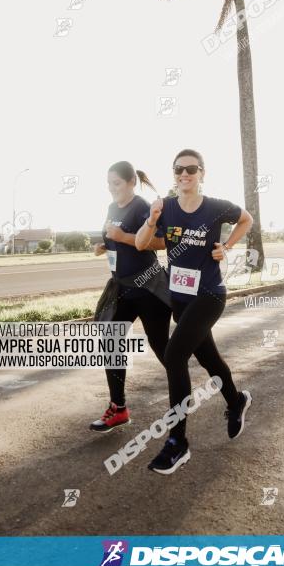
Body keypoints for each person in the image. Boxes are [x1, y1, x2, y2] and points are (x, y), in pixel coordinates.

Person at [135, 148, 254, 474]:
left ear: (202, 173)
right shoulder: (166, 208)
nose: (184, 174)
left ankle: (178, 442)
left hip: (210, 296)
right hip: (180, 299)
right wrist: (152, 219)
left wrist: (226, 247)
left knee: (175, 356)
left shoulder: (216, 207)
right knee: (209, 359)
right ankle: (236, 400)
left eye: (191, 169)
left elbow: (247, 219)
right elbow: (142, 243)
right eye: (178, 170)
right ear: (174, 175)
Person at [90, 161, 171, 432]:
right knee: (110, 340)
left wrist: (123, 237)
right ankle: (118, 408)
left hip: (148, 286)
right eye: (108, 183)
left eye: (116, 183)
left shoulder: (142, 207)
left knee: (161, 345)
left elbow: (161, 242)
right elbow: (112, 236)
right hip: (122, 286)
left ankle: (182, 395)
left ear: (131, 183)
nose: (111, 189)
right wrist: (105, 245)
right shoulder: (112, 208)